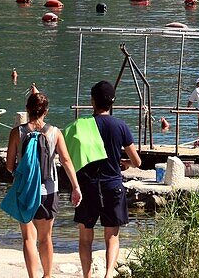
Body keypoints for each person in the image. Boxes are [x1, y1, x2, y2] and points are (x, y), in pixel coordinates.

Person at [7, 89, 81, 278]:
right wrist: (75, 186)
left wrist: (20, 174)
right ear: (46, 111)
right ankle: (47, 275)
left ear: (27, 109)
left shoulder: (17, 132)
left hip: (25, 190)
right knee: (45, 237)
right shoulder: (55, 133)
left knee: (28, 238)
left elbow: (9, 165)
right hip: (48, 191)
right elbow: (66, 161)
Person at [75, 80, 141, 278]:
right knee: (111, 237)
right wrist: (125, 164)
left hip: (88, 186)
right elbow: (136, 161)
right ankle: (108, 275)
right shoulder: (120, 126)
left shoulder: (82, 125)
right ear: (112, 102)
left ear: (92, 101)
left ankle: (87, 276)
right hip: (112, 185)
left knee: (85, 238)